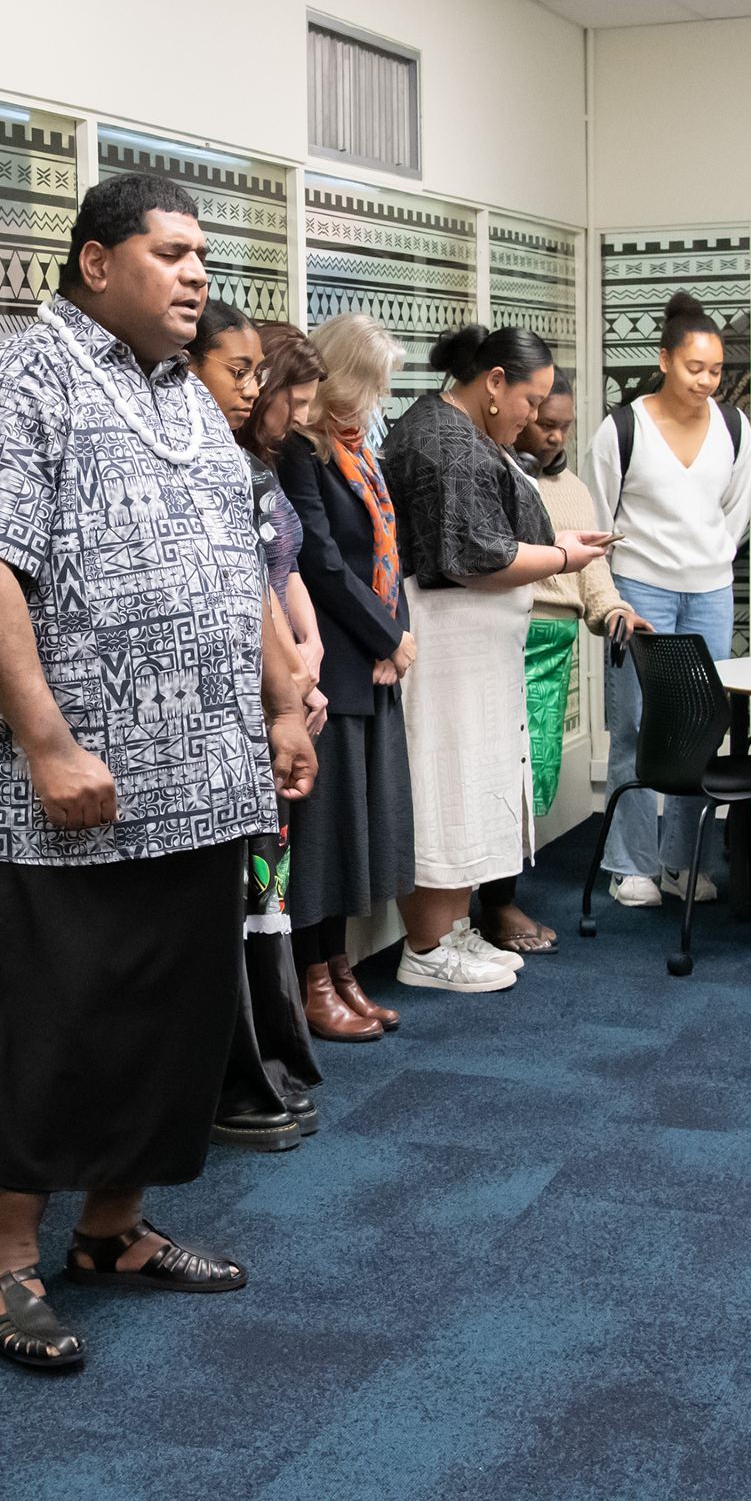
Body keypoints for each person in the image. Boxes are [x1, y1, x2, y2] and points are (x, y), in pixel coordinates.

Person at [0, 170, 311, 1373]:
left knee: (163, 1024)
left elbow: (235, 565)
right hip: (58, 798)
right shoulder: (17, 383)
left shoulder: (190, 403)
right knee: (40, 1031)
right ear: (95, 263)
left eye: (201, 256)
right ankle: (4, 1268)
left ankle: (111, 1231)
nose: (196, 275)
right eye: (170, 253)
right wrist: (46, 741)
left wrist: (281, 703)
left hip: (195, 781)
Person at [382, 324, 611, 992]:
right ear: (494, 384)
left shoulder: (457, 431)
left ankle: (450, 930)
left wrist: (562, 542)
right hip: (447, 648)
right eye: (531, 401)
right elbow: (476, 558)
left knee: (466, 786)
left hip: (472, 650)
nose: (535, 417)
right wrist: (566, 557)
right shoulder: (446, 444)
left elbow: (490, 535)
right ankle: (428, 947)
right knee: (444, 787)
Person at [187, 301, 317, 1150]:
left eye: (254, 374)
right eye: (236, 372)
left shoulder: (250, 469)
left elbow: (272, 580)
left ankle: (270, 1053)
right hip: (213, 714)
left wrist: (299, 675)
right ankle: (232, 1075)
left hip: (270, 696)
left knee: (265, 886)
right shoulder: (195, 464)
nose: (253, 389)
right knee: (227, 903)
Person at [587, 291, 751, 909]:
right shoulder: (622, 428)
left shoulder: (736, 427)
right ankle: (629, 863)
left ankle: (686, 862)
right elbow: (599, 521)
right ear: (664, 359)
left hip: (711, 591)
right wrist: (611, 595)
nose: (707, 381)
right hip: (639, 588)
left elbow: (734, 515)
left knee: (699, 728)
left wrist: (707, 562)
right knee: (634, 724)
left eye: (715, 370)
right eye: (695, 368)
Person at [276, 312, 417, 1041]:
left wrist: (391, 636)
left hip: (367, 663)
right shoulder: (301, 454)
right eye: (371, 385)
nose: (375, 400)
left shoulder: (361, 452)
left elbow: (382, 551)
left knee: (354, 832)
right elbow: (321, 564)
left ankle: (340, 970)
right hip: (331, 662)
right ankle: (314, 979)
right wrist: (390, 634)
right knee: (322, 840)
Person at [492, 372, 643, 954]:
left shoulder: (576, 490)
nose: (555, 437)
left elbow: (595, 580)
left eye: (564, 427)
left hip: (553, 648)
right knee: (501, 777)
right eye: (544, 423)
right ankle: (496, 905)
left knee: (538, 779)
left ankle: (500, 895)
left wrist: (616, 614)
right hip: (506, 637)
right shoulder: (496, 478)